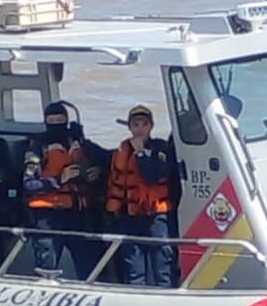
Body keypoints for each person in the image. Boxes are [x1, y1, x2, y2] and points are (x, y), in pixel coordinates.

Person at [21, 100, 109, 278]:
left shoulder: (77, 142)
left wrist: (97, 170)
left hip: (77, 212)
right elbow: (29, 184)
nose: (56, 125)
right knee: (47, 264)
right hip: (48, 216)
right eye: (51, 121)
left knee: (89, 262)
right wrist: (59, 179)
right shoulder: (37, 147)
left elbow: (107, 158)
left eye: (60, 120)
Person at [105, 104, 179, 287]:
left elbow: (154, 177)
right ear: (129, 127)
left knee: (162, 261)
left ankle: (166, 297)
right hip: (130, 216)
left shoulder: (160, 149)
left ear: (151, 126)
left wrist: (140, 153)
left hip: (156, 216)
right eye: (135, 125)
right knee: (133, 265)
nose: (139, 129)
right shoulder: (122, 151)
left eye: (143, 124)